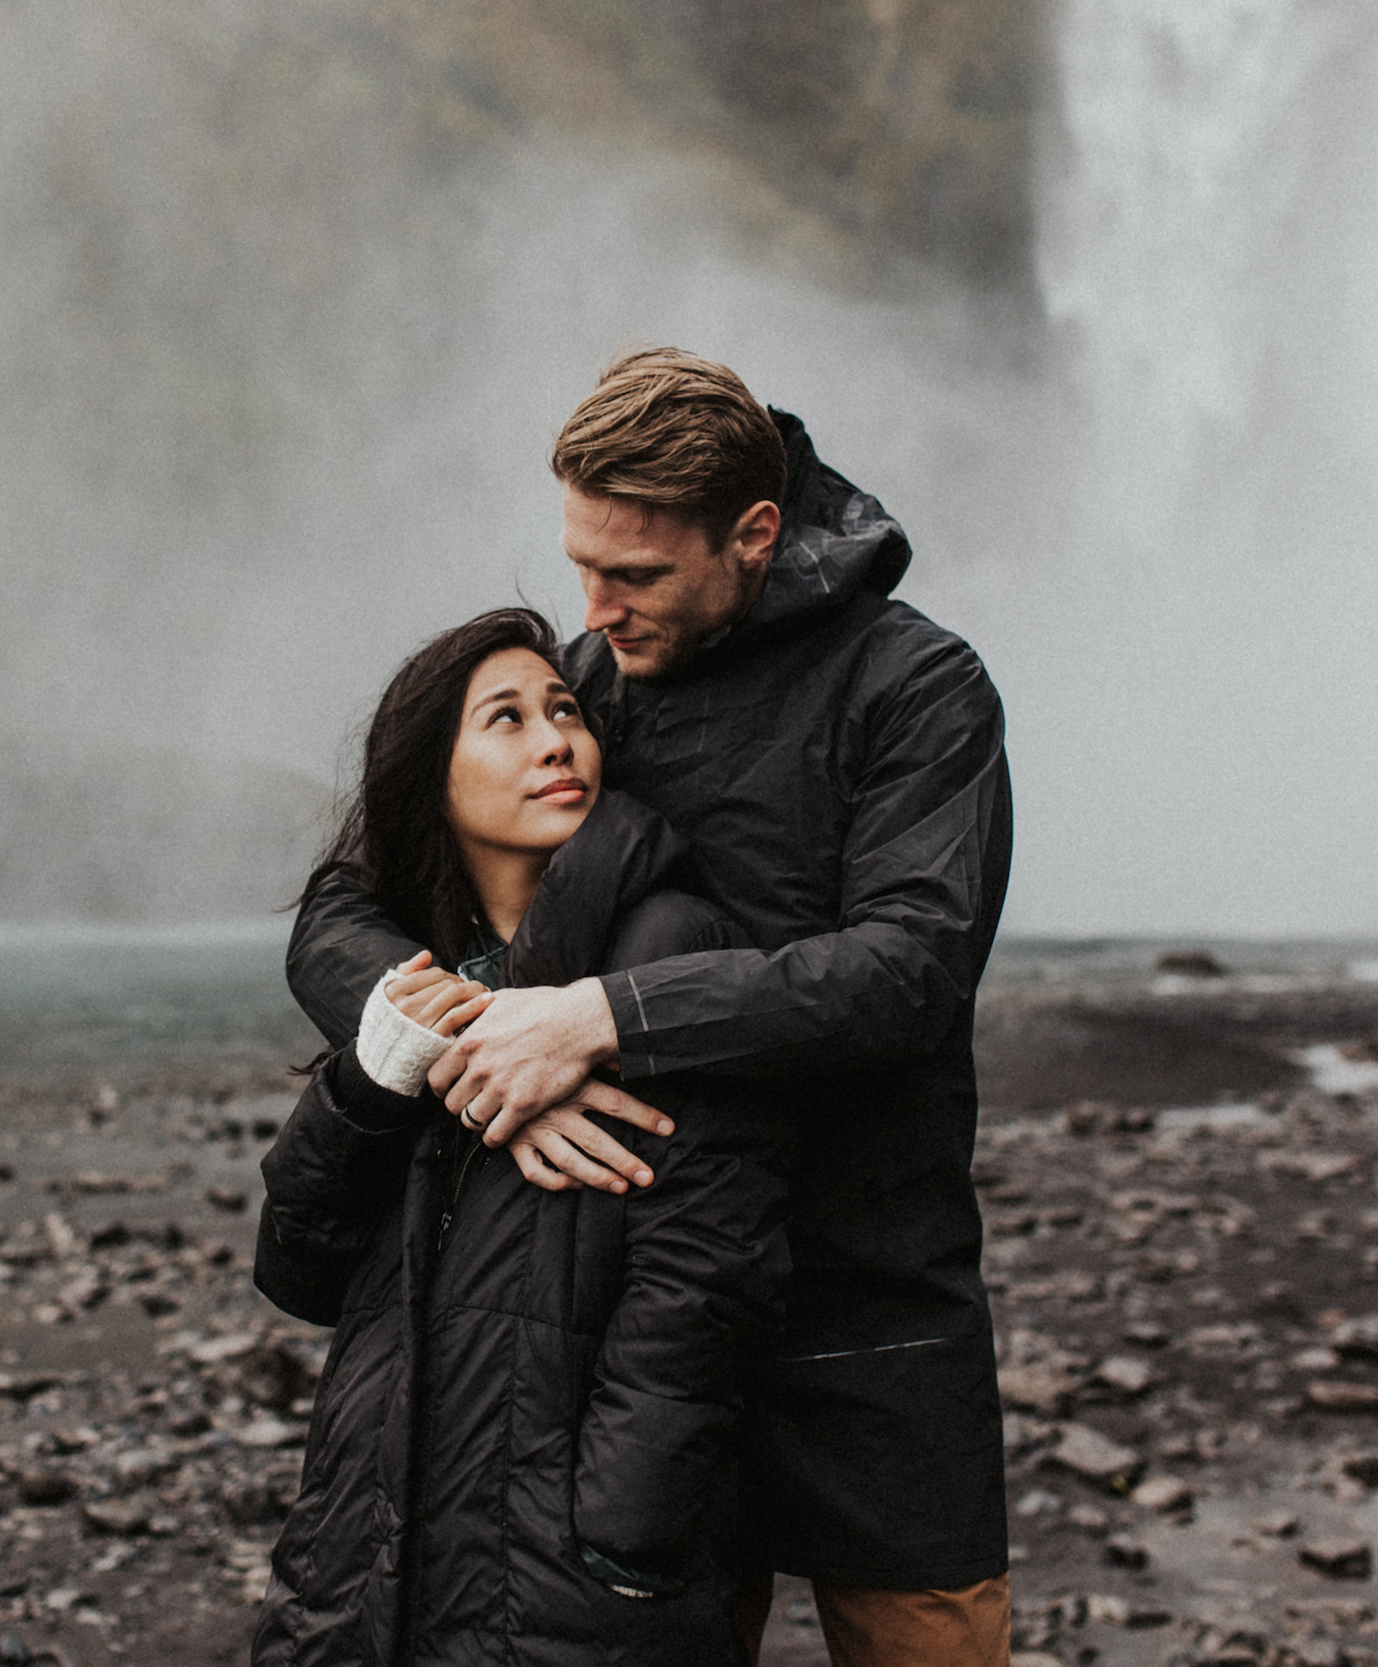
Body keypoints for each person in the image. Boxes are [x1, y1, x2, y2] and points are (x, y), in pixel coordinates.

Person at [290, 349, 1015, 1664]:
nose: (595, 606)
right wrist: (467, 1047)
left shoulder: (917, 689)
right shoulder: (584, 690)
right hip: (636, 1319)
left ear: (754, 534)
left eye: (633, 574)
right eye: (580, 564)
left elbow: (908, 972)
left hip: (874, 1299)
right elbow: (344, 907)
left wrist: (594, 1020)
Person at [251, 607, 791, 1667]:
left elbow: (709, 1266)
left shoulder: (671, 946)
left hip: (570, 1566)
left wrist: (621, 1528)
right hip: (374, 1526)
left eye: (566, 712)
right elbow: (298, 1268)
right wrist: (378, 1074)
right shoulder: (413, 984)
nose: (557, 739)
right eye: (507, 718)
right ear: (429, 777)